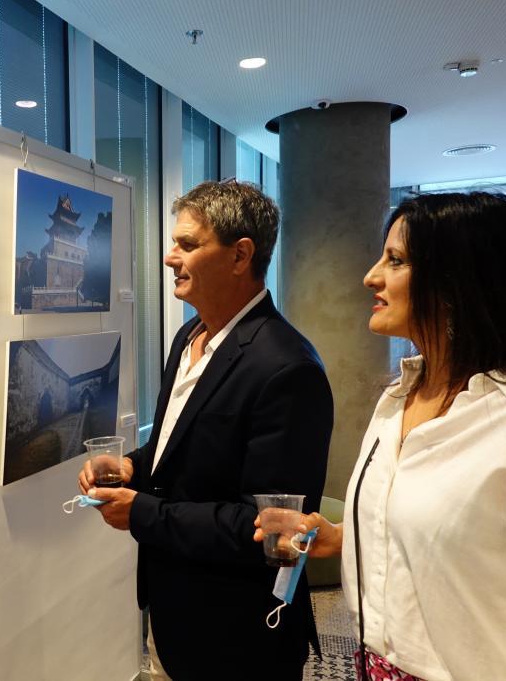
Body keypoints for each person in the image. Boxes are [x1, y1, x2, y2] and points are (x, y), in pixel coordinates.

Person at [256, 192, 506, 680]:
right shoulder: (399, 396)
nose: (371, 277)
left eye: (395, 260)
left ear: (459, 280)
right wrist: (341, 537)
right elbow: (442, 528)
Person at [79, 180, 333, 680]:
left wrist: (142, 513)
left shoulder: (287, 368)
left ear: (240, 256)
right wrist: (131, 465)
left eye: (188, 244)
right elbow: (180, 446)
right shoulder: (188, 336)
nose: (170, 258)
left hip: (238, 633)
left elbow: (269, 527)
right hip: (173, 611)